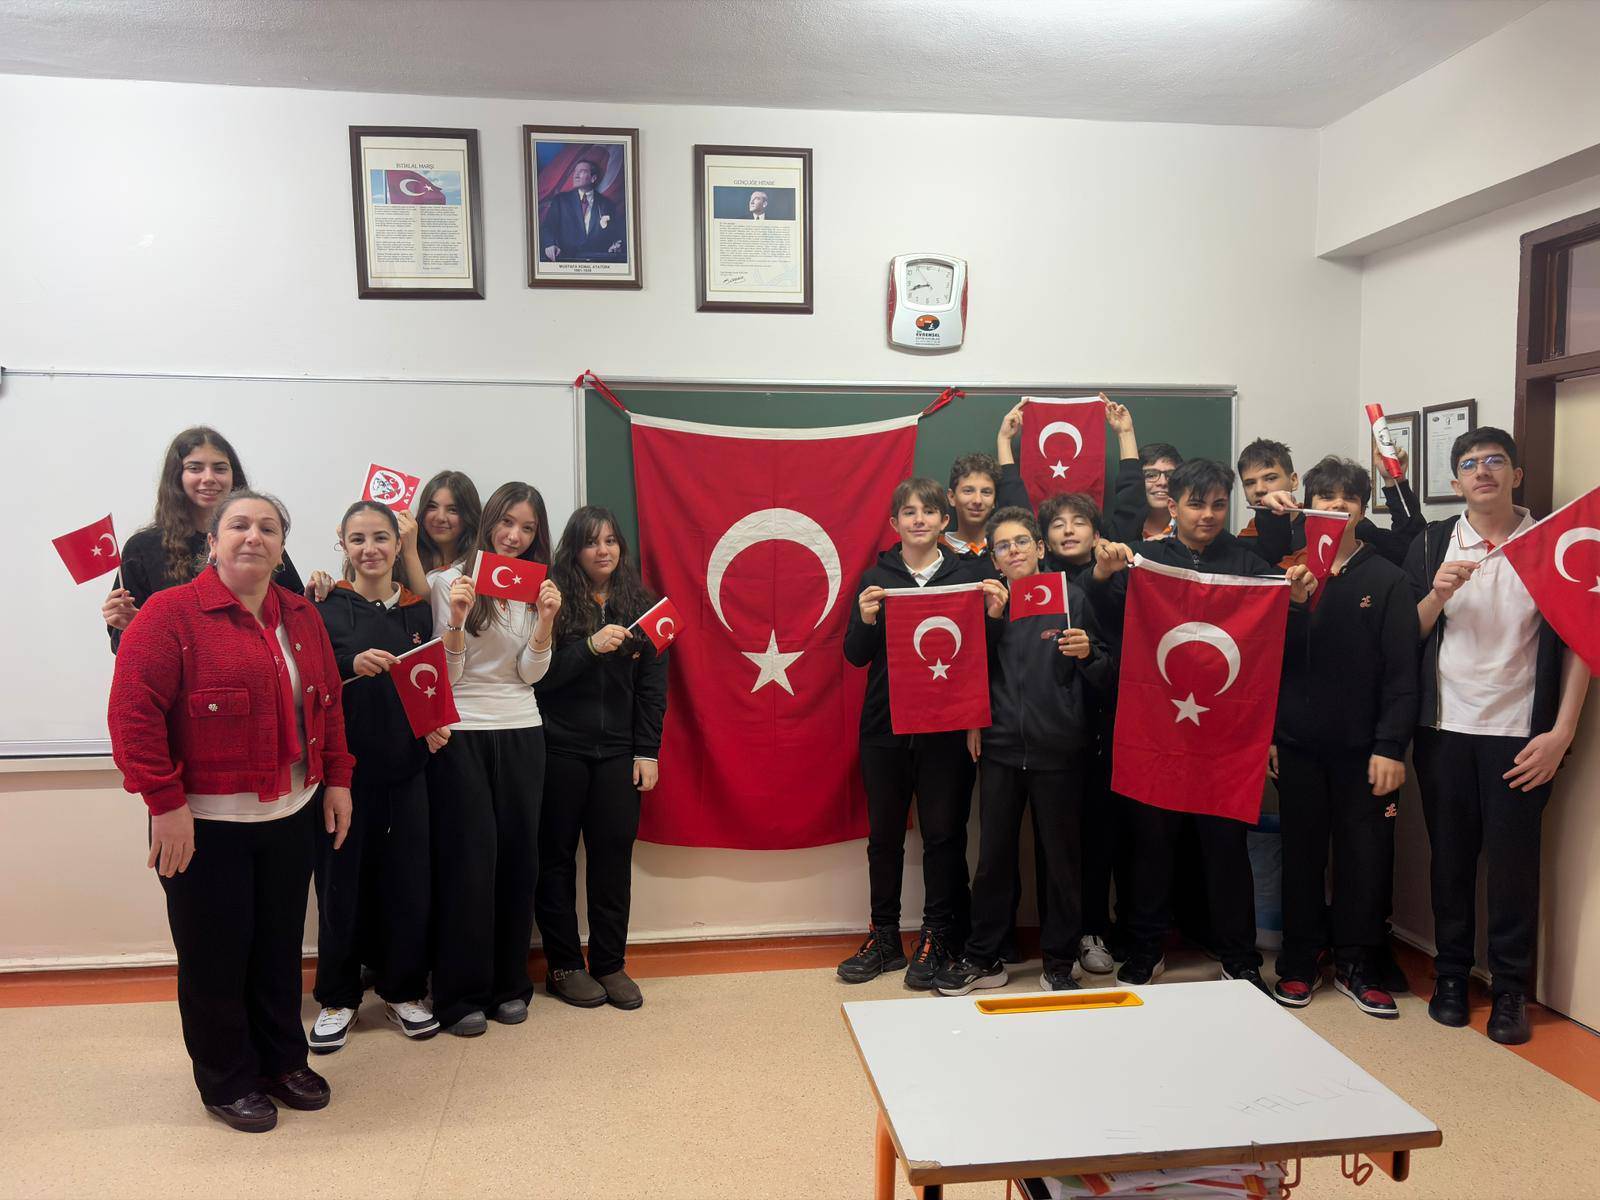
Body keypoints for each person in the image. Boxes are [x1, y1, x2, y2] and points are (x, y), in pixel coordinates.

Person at [107, 490, 354, 1133]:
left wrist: (337, 781)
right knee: (215, 957)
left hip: (291, 814)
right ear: (212, 542)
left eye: (268, 528)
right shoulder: (169, 615)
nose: (254, 536)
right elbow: (133, 715)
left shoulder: (301, 614)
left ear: (281, 546)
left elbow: (328, 703)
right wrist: (165, 805)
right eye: (238, 525)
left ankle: (282, 1062)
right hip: (203, 825)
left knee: (277, 949)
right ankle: (226, 1079)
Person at [1089, 459, 1315, 996]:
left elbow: (1278, 639)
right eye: (1196, 504)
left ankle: (1239, 957)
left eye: (1218, 504)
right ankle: (1145, 949)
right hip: (1157, 731)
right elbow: (1105, 617)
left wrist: (1298, 603)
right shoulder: (1145, 560)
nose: (1208, 514)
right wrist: (1101, 575)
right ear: (1173, 506)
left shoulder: (1250, 564)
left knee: (1227, 850)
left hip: (1226, 738)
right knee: (1151, 849)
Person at [1407, 427, 1591, 1045]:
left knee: (1514, 869)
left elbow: (1581, 640)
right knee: (1450, 862)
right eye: (1469, 464)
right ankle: (1452, 976)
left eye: (1494, 461)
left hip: (1521, 737)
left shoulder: (1548, 544)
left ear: (1517, 474)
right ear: (1455, 481)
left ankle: (1511, 990)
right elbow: (1405, 634)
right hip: (1444, 731)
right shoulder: (1433, 542)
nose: (1482, 471)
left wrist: (1562, 731)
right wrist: (1436, 594)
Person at [933, 507, 1112, 996]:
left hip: (1060, 749)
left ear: (1039, 547)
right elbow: (967, 670)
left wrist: (1088, 655)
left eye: (1021, 542)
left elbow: (1106, 673)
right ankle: (983, 956)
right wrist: (974, 717)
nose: (1013, 551)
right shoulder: (986, 603)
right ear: (994, 559)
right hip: (1000, 748)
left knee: (1061, 860)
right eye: (1002, 546)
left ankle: (1059, 962)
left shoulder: (1072, 597)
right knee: (993, 858)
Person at [1269, 457, 1418, 1019]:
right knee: (1301, 856)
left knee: (1365, 859)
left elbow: (1402, 673)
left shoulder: (1388, 578)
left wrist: (1390, 746)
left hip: (1365, 752)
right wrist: (1273, 736)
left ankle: (1359, 963)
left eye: (1346, 498)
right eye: (1323, 497)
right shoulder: (1290, 573)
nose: (1335, 506)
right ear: (1307, 506)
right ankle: (1300, 960)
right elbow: (1271, 665)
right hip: (1298, 746)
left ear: (1361, 507)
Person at [308, 502, 446, 1052]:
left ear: (397, 542)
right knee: (340, 889)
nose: (370, 549)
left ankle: (403, 990)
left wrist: (435, 726)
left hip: (407, 771)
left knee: (407, 885)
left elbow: (431, 681)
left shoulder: (417, 612)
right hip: (343, 776)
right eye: (358, 539)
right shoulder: (323, 607)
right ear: (342, 543)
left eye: (381, 537)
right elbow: (308, 682)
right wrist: (349, 667)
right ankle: (338, 998)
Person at [428, 482, 561, 1037]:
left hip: (523, 729)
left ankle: (511, 984)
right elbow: (448, 676)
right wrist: (457, 619)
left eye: (527, 528)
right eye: (507, 522)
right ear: (488, 522)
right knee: (469, 864)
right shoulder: (449, 581)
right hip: (464, 732)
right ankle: (460, 995)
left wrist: (546, 619)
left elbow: (531, 674)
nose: (514, 536)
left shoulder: (536, 589)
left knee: (518, 861)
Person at [838, 478, 978, 989]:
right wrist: (865, 619)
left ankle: (939, 935)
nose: (919, 519)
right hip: (884, 727)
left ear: (945, 520)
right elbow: (855, 655)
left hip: (946, 730)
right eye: (909, 512)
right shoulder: (876, 577)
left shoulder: (968, 576)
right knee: (884, 837)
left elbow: (983, 655)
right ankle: (885, 938)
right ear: (894, 523)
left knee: (943, 835)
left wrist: (994, 614)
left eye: (929, 511)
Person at [534, 506, 668, 1011]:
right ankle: (564, 967)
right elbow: (538, 677)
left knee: (612, 860)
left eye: (611, 540)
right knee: (555, 861)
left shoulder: (642, 603)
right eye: (592, 542)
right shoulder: (551, 598)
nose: (603, 550)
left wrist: (647, 750)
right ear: (574, 549)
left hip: (618, 754)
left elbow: (653, 687)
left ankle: (610, 963)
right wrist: (589, 647)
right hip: (559, 749)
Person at [103, 427, 308, 651]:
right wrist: (139, 626)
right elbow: (122, 645)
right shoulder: (143, 549)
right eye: (195, 468)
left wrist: (321, 592)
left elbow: (299, 616)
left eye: (220, 468)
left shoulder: (256, 540)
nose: (209, 478)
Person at [1246, 438, 1425, 571]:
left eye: (1270, 478)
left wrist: (1395, 481)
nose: (1260, 489)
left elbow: (1412, 548)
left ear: (1293, 480)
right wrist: (1269, 514)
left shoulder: (1351, 526)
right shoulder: (1250, 537)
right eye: (1249, 483)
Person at [1104, 403, 1182, 544]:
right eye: (1151, 475)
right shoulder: (1118, 533)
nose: (1162, 482)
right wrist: (1125, 433)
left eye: (1170, 475)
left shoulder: (1193, 533)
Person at [398, 469, 482, 595]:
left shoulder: (477, 563)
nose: (440, 517)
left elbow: (432, 605)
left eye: (453, 510)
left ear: (469, 514)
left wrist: (410, 552)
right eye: (432, 507)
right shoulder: (398, 553)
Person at [541, 158, 625, 262]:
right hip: (566, 260)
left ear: (593, 178)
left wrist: (615, 245)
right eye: (575, 172)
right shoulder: (560, 200)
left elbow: (616, 233)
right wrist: (549, 244)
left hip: (598, 262)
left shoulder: (606, 204)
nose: (575, 175)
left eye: (582, 171)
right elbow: (547, 227)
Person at [943, 452, 1003, 565]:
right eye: (968, 491)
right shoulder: (934, 550)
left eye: (986, 492)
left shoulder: (1005, 551)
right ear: (952, 497)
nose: (977, 500)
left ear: (994, 500)